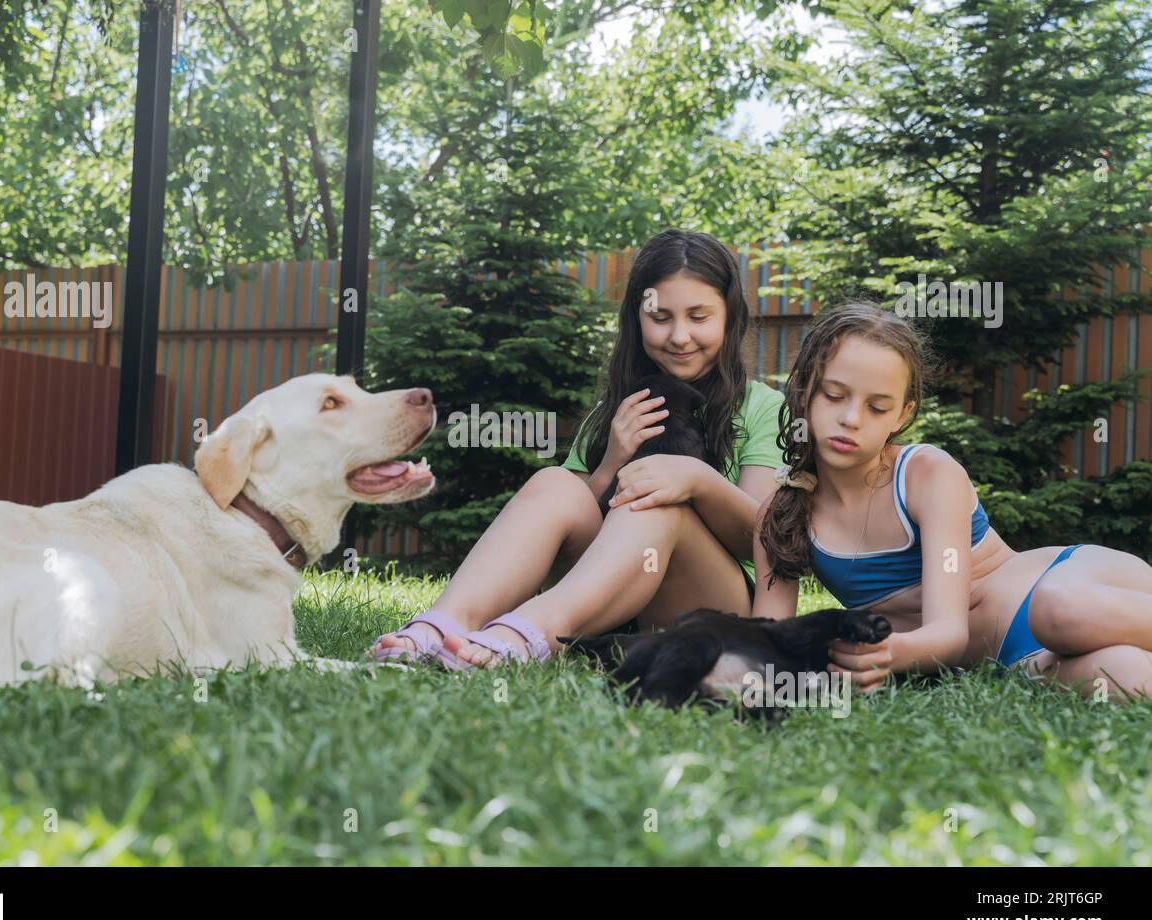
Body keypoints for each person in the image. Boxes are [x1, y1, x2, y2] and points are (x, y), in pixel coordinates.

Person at [367, 228, 787, 668]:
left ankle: (521, 634)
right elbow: (572, 522)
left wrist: (696, 482)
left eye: (699, 317)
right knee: (555, 481)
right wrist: (612, 462)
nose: (680, 336)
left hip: (708, 605)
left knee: (657, 502)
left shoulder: (762, 408)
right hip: (611, 602)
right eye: (660, 317)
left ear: (729, 316)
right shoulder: (616, 410)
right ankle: (442, 625)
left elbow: (763, 538)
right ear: (636, 318)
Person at [753, 300, 1152, 699]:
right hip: (1016, 657)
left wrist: (891, 652)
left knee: (1059, 611)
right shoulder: (783, 513)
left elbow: (948, 633)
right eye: (834, 395)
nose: (852, 418)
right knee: (1129, 679)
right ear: (804, 389)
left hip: (1065, 586)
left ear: (901, 415)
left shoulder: (926, 474)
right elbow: (767, 642)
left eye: (877, 407)